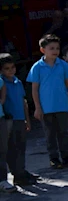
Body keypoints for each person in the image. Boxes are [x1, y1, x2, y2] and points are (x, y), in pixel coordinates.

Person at [26, 34, 68, 169]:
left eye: (57, 48)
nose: (55, 51)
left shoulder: (63, 65)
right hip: (45, 107)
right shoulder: (37, 67)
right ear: (43, 50)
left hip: (62, 105)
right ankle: (54, 158)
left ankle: (67, 157)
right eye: (51, 48)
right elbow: (34, 89)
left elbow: (67, 82)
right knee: (50, 134)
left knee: (64, 132)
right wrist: (37, 107)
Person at [1, 53, 38, 187]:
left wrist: (27, 119)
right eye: (7, 68)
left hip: (20, 119)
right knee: (12, 148)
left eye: (12, 67)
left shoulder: (18, 82)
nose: (11, 70)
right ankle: (17, 174)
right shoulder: (2, 84)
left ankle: (21, 171)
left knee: (21, 147)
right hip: (9, 121)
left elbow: (24, 102)